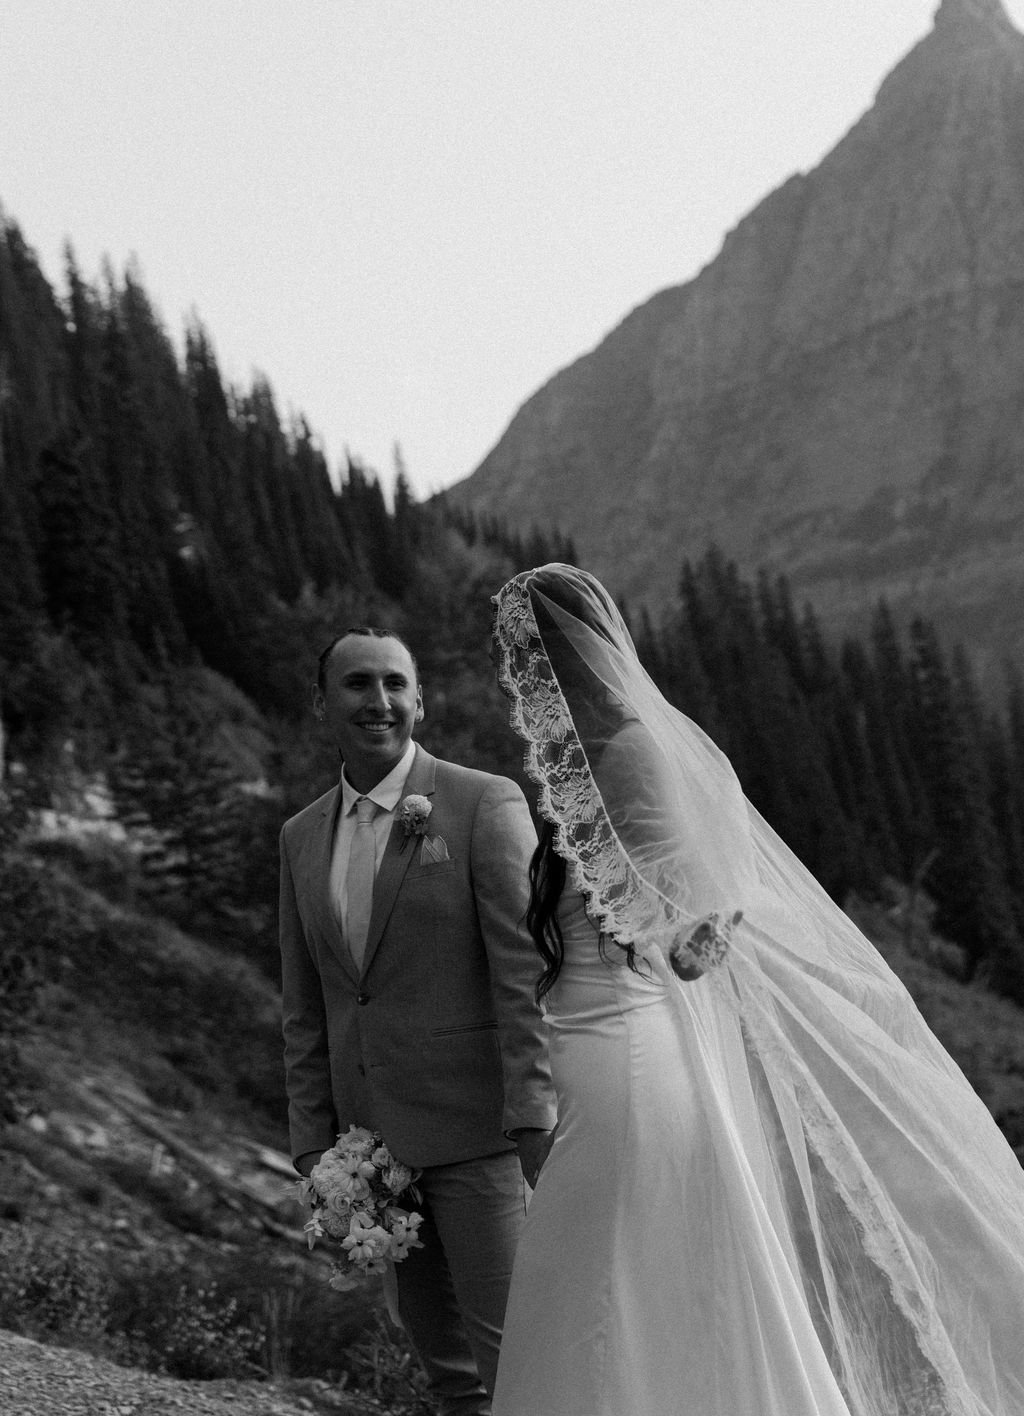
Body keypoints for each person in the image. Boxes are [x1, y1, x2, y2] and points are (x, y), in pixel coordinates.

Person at [489, 563, 1024, 1416]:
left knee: (592, 1266)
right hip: (600, 1050)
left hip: (626, 1055)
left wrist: (692, 924)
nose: (519, 673)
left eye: (528, 651)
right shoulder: (588, 770)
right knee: (624, 1270)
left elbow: (690, 926)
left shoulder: (629, 757)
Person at [279, 626, 556, 1416]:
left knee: (519, 1362)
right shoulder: (300, 837)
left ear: (421, 700)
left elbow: (522, 973)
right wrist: (312, 1143)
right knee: (447, 1373)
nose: (380, 701)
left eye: (396, 684)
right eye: (358, 684)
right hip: (373, 1152)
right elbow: (307, 1003)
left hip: (480, 1137)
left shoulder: (481, 802)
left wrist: (534, 1108)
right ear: (322, 705)